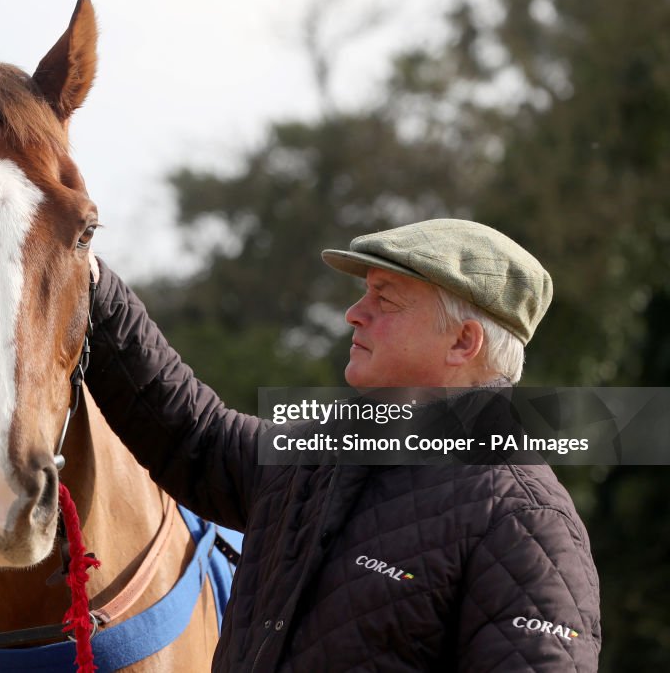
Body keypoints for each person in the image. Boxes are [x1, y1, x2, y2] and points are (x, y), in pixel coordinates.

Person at [84, 218, 600, 671]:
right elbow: (196, 436)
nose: (354, 313)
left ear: (464, 342)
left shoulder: (525, 519)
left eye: (385, 298)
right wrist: (87, 277)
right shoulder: (318, 461)